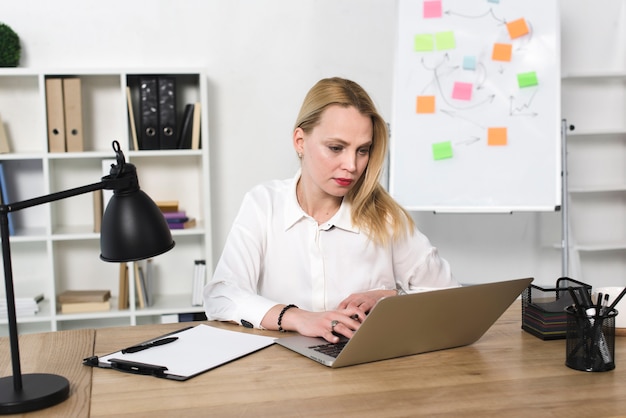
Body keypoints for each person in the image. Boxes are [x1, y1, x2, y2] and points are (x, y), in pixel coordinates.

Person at [204, 77, 457, 343]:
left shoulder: (385, 216)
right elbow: (221, 295)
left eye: (363, 150)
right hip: (282, 370)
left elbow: (450, 298)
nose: (352, 165)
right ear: (300, 141)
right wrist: (299, 318)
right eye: (336, 148)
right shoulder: (264, 204)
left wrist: (388, 298)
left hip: (369, 367)